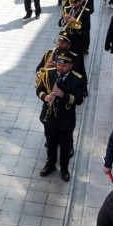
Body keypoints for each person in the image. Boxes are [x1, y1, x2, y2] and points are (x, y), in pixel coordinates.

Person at [36, 51, 85, 182]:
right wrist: (45, 97)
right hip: (49, 117)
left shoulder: (76, 79)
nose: (60, 68)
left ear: (70, 65)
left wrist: (64, 95)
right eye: (58, 65)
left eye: (63, 66)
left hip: (66, 120)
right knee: (50, 143)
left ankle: (64, 168)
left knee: (65, 145)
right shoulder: (49, 74)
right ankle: (50, 164)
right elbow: (39, 89)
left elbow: (79, 100)